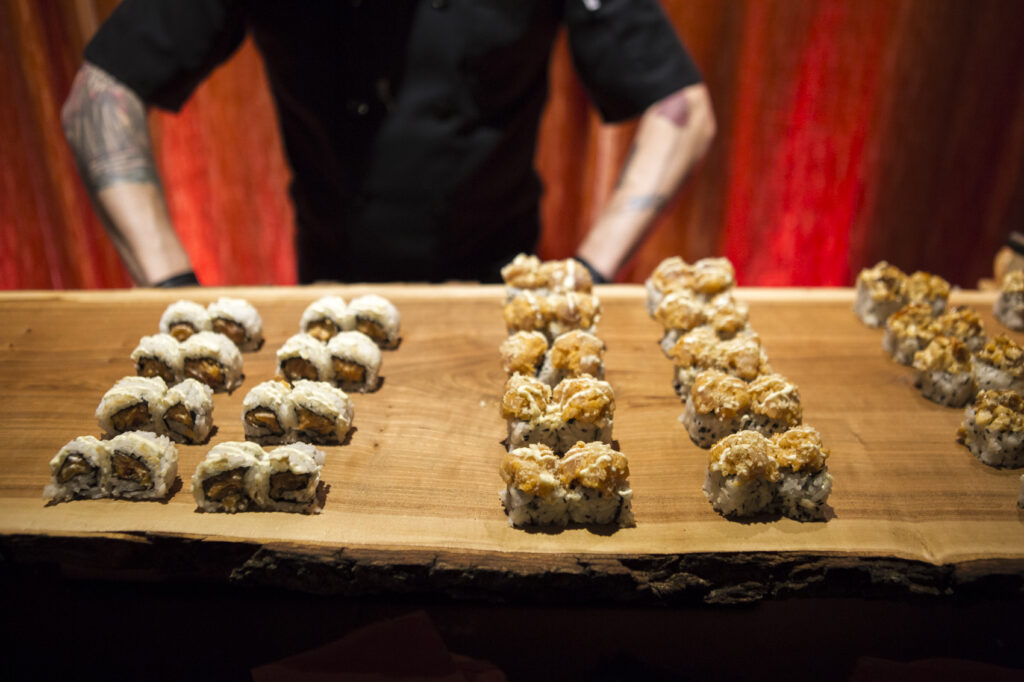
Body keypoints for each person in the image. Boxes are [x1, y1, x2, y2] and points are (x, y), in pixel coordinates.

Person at [62, 0, 715, 287]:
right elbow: (101, 94)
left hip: (496, 284)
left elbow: (681, 107)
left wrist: (588, 275)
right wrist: (172, 290)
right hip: (329, 286)